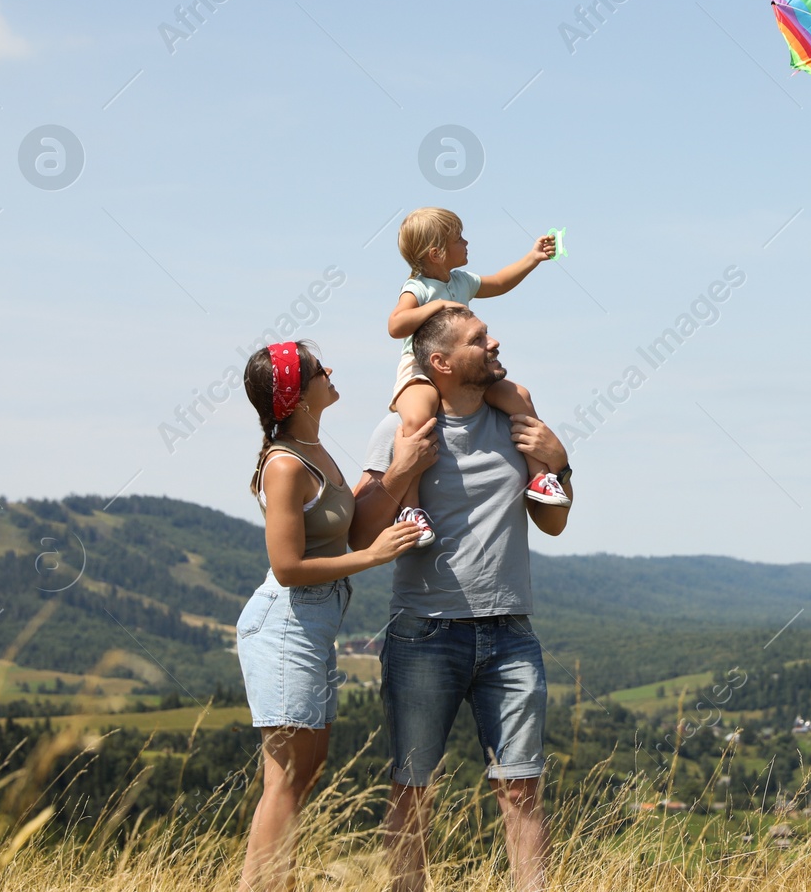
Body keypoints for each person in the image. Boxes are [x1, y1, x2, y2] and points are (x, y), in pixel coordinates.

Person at [353, 307, 572, 892]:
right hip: (425, 632)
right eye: (479, 339)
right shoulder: (399, 429)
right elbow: (359, 531)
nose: (495, 341)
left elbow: (553, 524)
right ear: (442, 362)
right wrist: (401, 472)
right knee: (412, 788)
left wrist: (560, 459)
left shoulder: (517, 423)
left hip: (510, 632)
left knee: (522, 790)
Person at [235, 340, 440, 892]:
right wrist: (374, 557)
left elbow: (343, 529)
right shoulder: (285, 465)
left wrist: (398, 473)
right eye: (318, 369)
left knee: (306, 769)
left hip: (313, 623)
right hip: (286, 622)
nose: (330, 371)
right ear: (297, 395)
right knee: (286, 779)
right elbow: (287, 566)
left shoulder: (313, 449)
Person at [386, 207, 570, 546]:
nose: (467, 242)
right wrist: (436, 308)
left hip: (466, 370)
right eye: (459, 238)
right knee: (417, 420)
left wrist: (533, 257)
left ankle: (540, 477)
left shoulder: (461, 281)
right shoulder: (417, 288)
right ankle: (410, 508)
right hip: (420, 370)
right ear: (437, 252)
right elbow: (396, 325)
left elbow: (499, 282)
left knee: (520, 397)